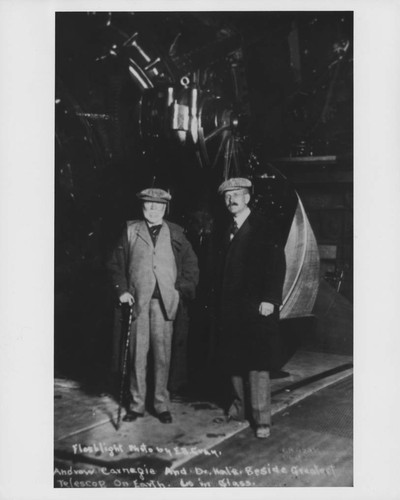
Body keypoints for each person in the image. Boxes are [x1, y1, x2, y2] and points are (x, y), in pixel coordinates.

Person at [107, 188, 199, 424]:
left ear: (165, 208)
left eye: (159, 206)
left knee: (162, 356)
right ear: (143, 207)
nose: (154, 210)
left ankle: (160, 404)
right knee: (137, 355)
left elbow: (191, 264)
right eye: (149, 205)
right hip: (138, 303)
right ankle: (136, 405)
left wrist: (180, 291)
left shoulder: (176, 232)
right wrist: (123, 291)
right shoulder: (130, 230)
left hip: (165, 304)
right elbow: (114, 265)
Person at [216, 177, 286, 439]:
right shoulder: (227, 228)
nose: (231, 199)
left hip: (257, 307)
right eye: (227, 196)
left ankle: (262, 419)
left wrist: (270, 299)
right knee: (234, 360)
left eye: (237, 194)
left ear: (247, 198)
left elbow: (276, 265)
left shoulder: (265, 227)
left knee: (257, 363)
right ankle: (237, 410)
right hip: (231, 308)